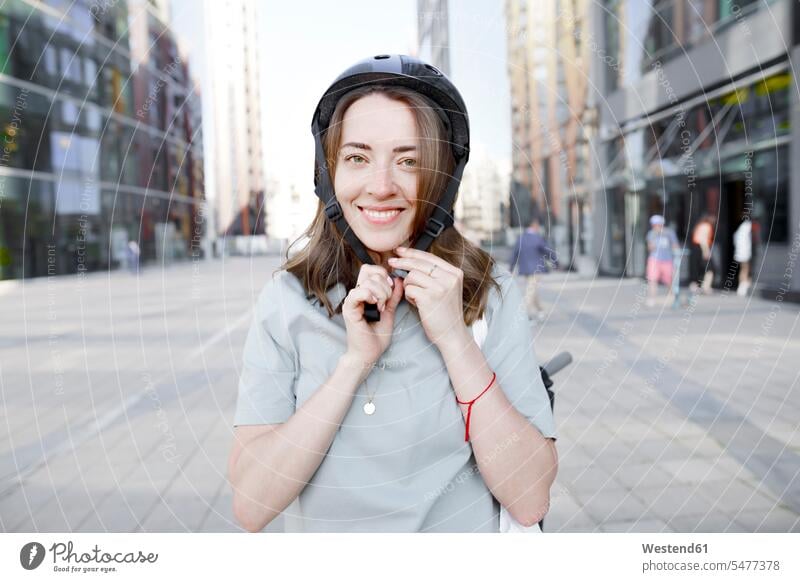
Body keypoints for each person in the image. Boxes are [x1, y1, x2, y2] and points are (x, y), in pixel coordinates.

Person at [228, 55, 558, 533]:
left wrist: (454, 339)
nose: (381, 186)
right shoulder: (288, 299)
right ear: (330, 174)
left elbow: (530, 500)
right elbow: (252, 505)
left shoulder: (490, 292)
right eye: (357, 158)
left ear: (442, 180)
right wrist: (354, 363)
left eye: (408, 161)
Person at [509, 217, 558, 321]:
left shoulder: (521, 238)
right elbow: (547, 250)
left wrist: (511, 267)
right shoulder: (537, 237)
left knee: (531, 290)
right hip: (537, 269)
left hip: (525, 269)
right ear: (534, 225)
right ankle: (526, 313)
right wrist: (556, 261)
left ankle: (539, 310)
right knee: (531, 291)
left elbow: (514, 253)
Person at [645, 214, 679, 307]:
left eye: (657, 224)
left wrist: (676, 253)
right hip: (654, 259)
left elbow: (675, 245)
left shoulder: (669, 233)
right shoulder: (651, 233)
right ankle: (652, 298)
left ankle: (671, 296)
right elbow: (650, 248)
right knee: (652, 279)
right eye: (654, 224)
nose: (655, 226)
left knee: (669, 279)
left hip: (667, 259)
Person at [689, 214, 716, 294]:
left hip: (696, 248)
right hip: (701, 248)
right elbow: (703, 240)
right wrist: (706, 251)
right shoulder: (706, 226)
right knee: (710, 269)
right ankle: (706, 287)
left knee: (698, 268)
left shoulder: (700, 225)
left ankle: (696, 285)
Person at [733, 217, 752, 296]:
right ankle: (743, 286)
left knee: (743, 269)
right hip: (745, 252)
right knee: (745, 269)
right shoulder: (747, 227)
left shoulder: (740, 229)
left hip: (740, 252)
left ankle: (743, 286)